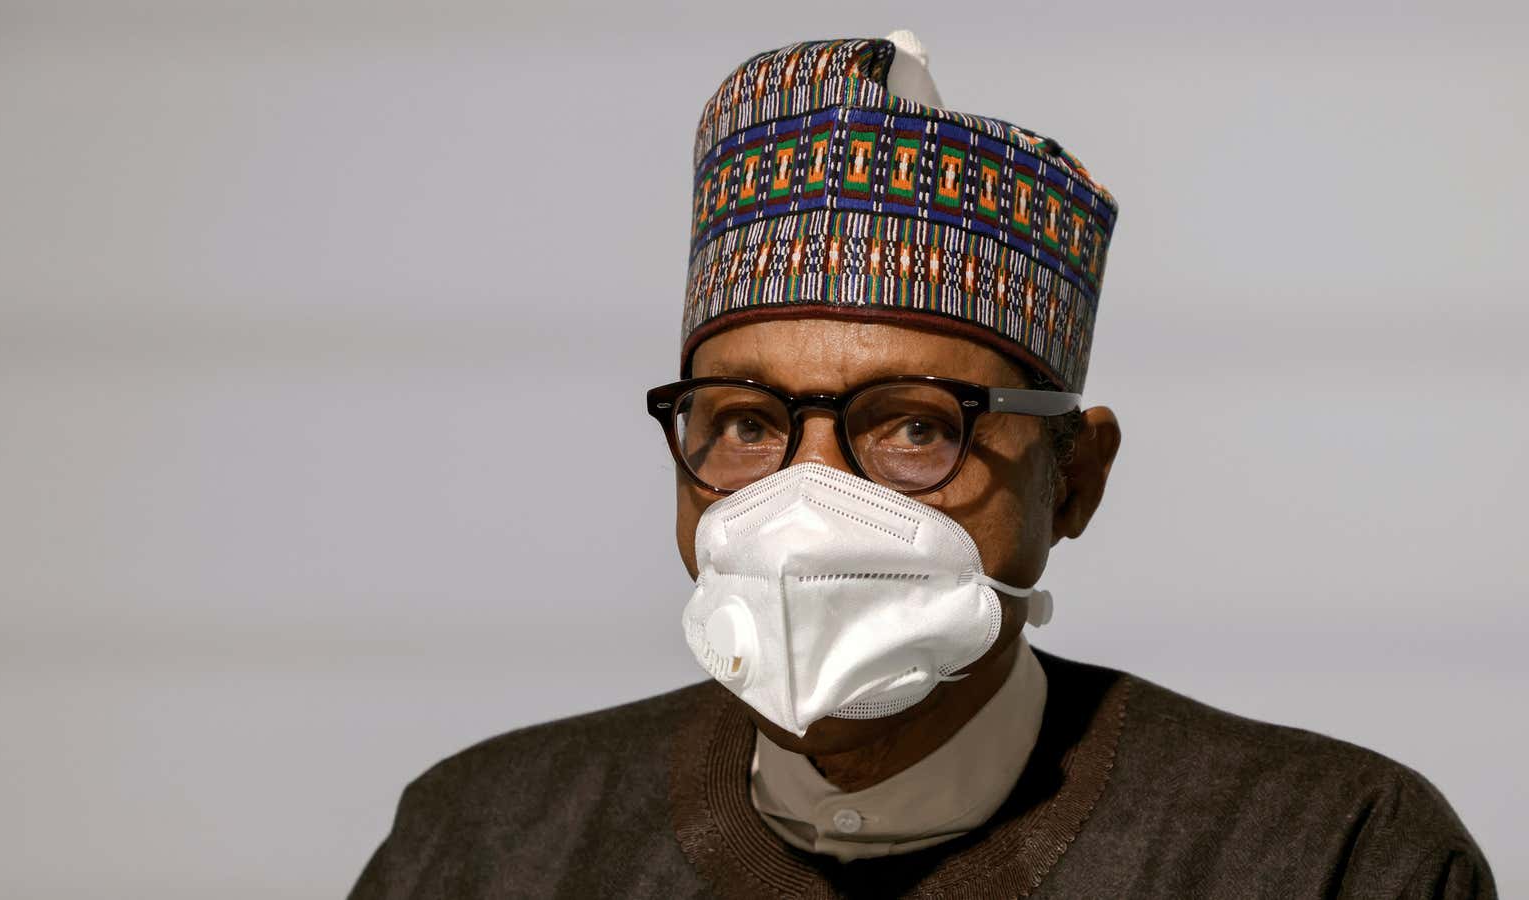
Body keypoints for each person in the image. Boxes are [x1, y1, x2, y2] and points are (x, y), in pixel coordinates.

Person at [350, 32, 1495, 899]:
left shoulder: (1325, 852)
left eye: (911, 426)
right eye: (745, 423)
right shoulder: (485, 841)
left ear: (1075, 478)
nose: (809, 502)